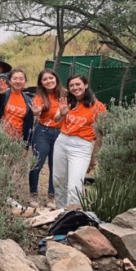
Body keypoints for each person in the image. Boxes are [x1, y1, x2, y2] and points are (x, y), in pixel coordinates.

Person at [52, 74, 106, 209]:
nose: (75, 88)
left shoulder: (98, 106)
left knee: (74, 186)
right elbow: (56, 119)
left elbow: (101, 134)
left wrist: (94, 156)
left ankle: (72, 216)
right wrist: (62, 113)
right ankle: (60, 212)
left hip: (82, 145)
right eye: (71, 85)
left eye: (78, 84)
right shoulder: (68, 102)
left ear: (86, 85)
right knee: (58, 181)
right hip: (62, 141)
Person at [28, 69, 67, 198]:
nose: (48, 81)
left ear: (56, 79)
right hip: (43, 132)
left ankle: (52, 195)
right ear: (41, 83)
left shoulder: (65, 94)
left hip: (61, 134)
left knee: (55, 165)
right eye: (45, 79)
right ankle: (33, 193)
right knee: (37, 163)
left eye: (51, 78)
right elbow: (37, 110)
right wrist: (36, 111)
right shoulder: (40, 97)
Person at [0, 69, 34, 144]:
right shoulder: (4, 95)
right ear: (10, 81)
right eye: (15, 78)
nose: (18, 81)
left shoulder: (28, 100)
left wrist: (27, 144)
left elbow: (29, 124)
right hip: (0, 136)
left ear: (25, 81)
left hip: (18, 140)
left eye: (21, 79)